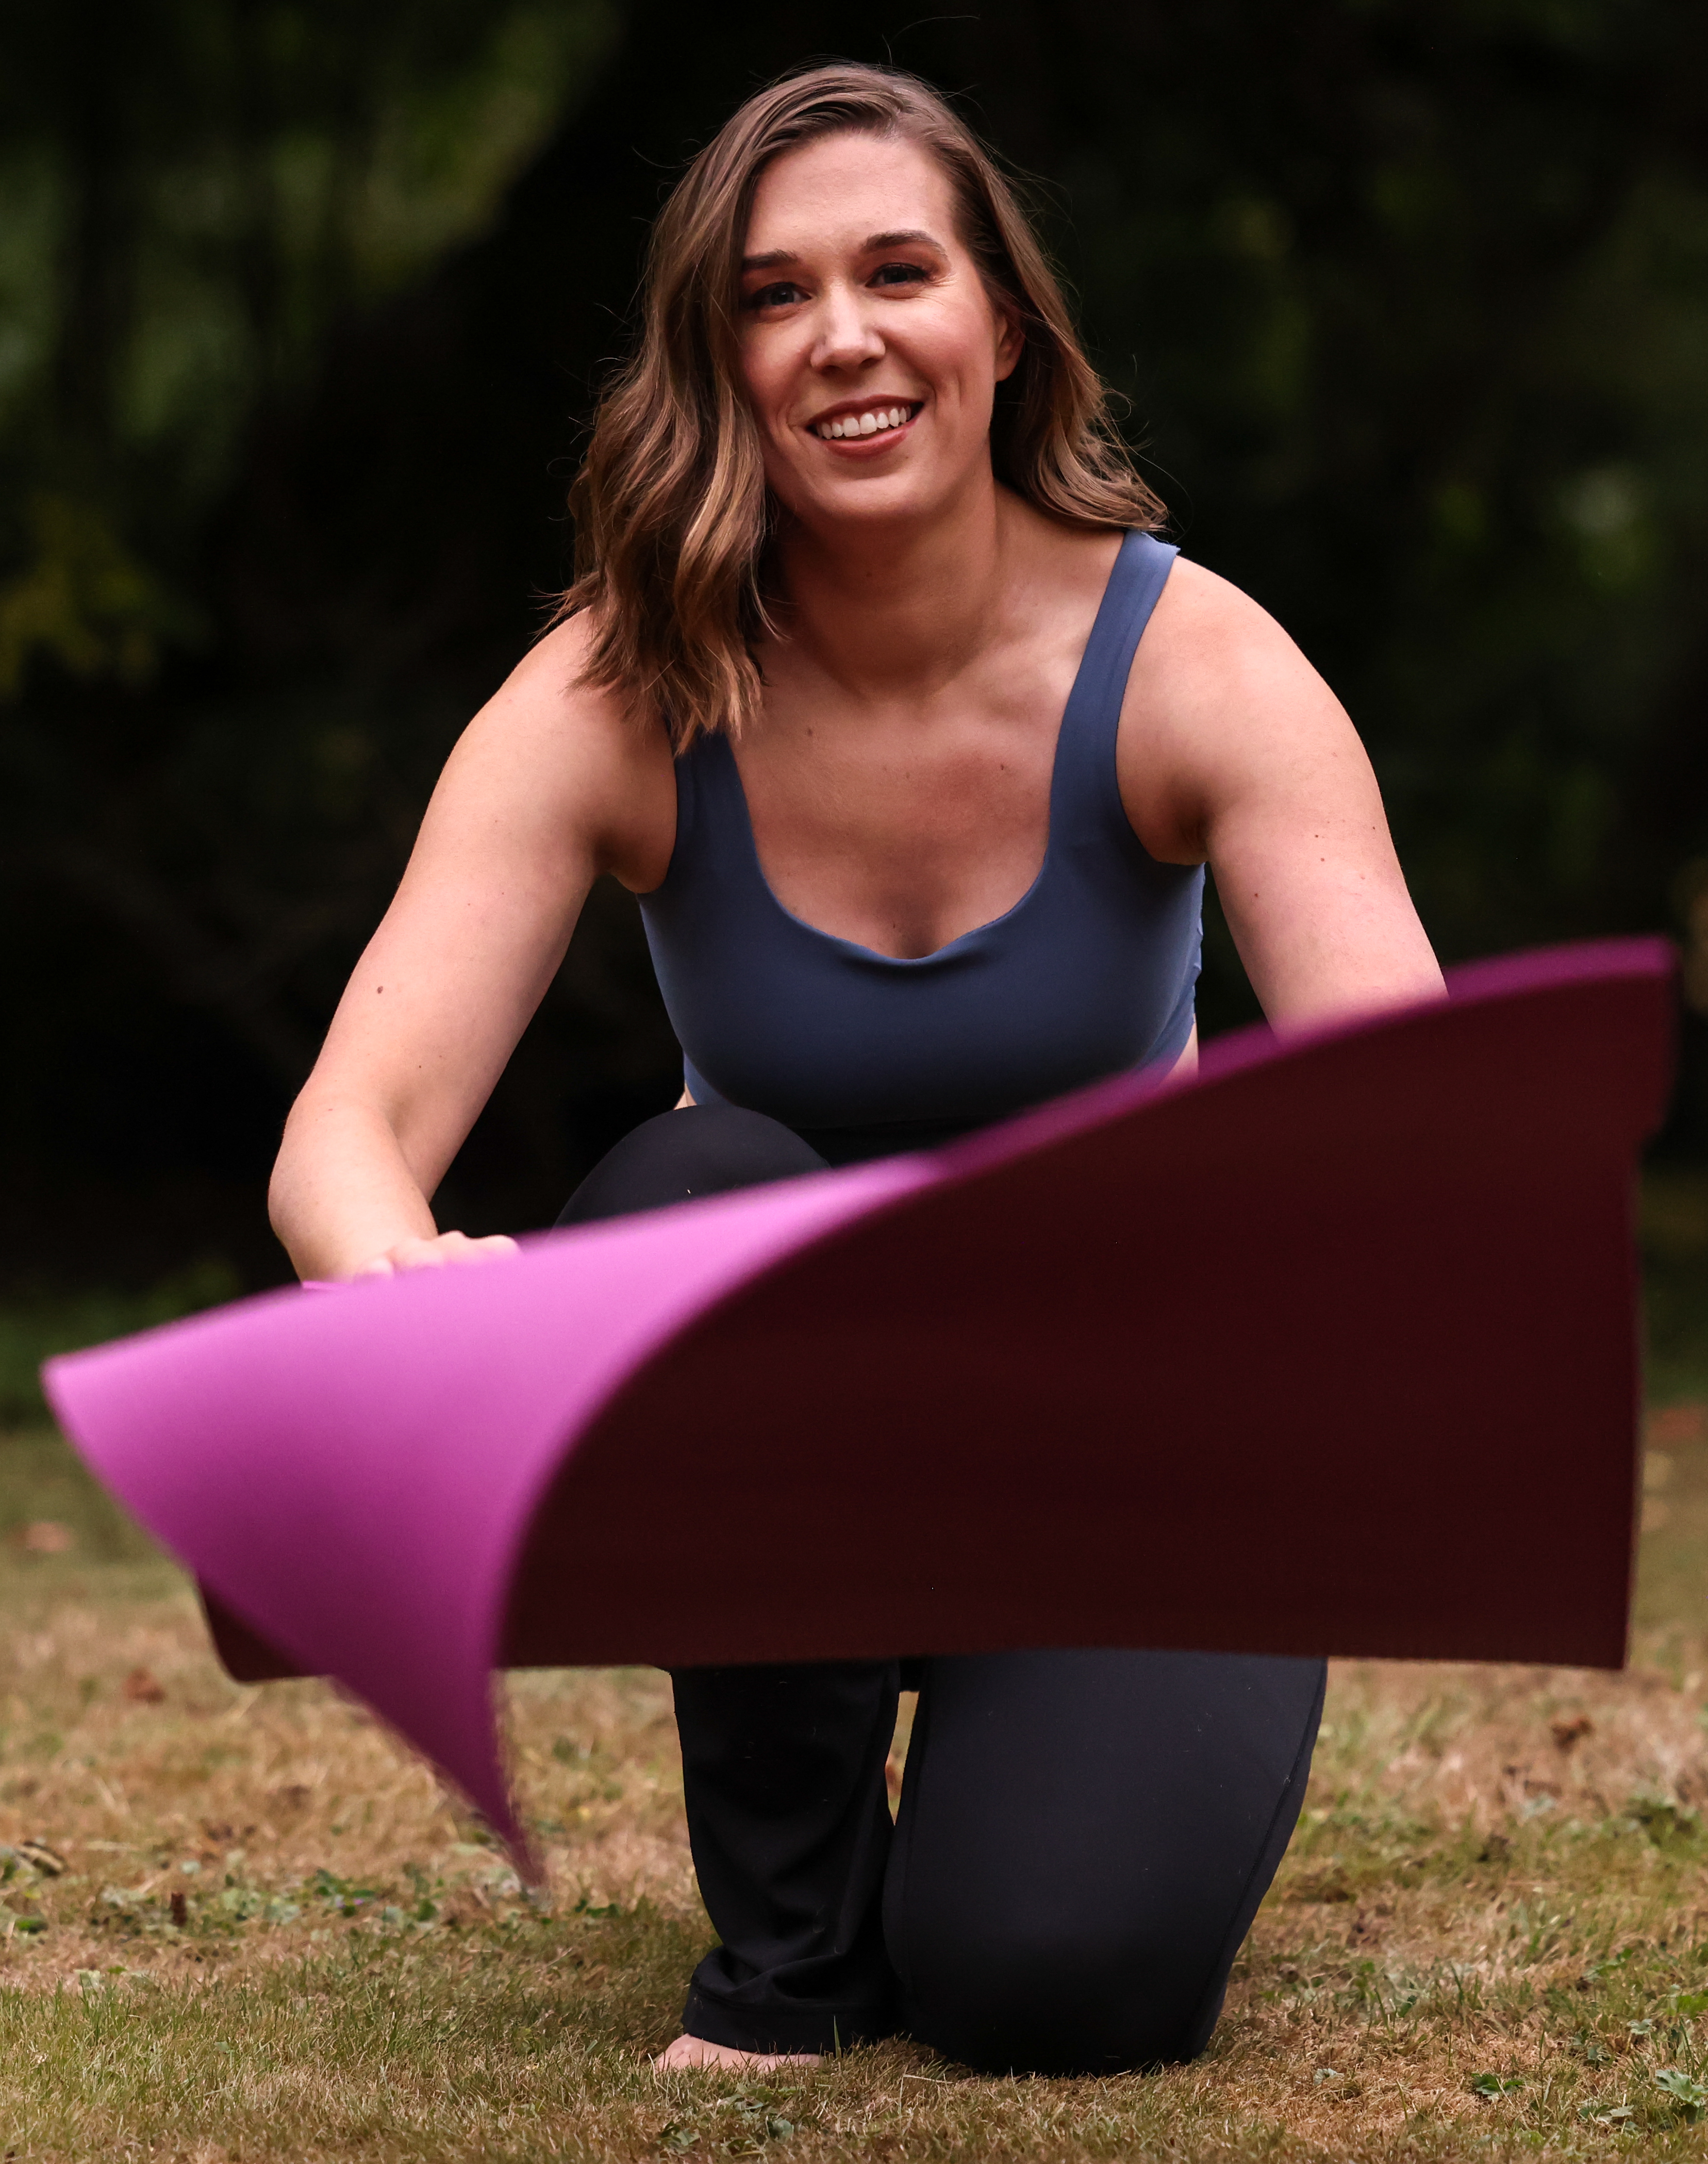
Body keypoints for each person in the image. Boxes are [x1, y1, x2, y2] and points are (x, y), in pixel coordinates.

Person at [268, 63, 1444, 2077]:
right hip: (804, 1455)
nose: (845, 336)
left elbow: (1419, 1132)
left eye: (900, 270)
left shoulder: (1194, 667)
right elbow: (346, 1138)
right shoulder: (617, 686)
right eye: (772, 294)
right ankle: (794, 1951)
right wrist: (404, 1282)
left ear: (1002, 323)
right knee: (679, 1190)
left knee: (1049, 1986)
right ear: (716, 362)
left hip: (1134, 1454)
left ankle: (1006, 1817)